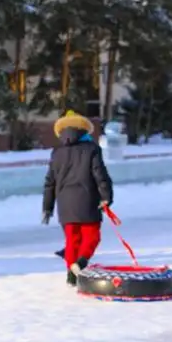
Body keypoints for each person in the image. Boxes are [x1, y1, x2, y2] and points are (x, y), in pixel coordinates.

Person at [42, 110, 114, 286]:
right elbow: (100, 175)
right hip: (88, 200)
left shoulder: (57, 152)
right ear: (84, 130)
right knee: (92, 237)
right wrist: (106, 196)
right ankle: (80, 264)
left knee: (72, 240)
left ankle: (71, 276)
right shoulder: (91, 149)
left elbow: (50, 182)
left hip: (65, 204)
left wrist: (47, 207)